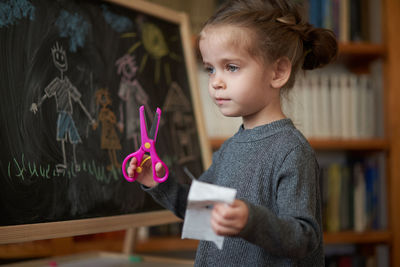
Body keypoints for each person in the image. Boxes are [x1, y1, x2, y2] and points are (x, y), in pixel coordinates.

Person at [127, 0, 337, 266]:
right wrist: (156, 183)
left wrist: (250, 220)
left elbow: (304, 238)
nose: (216, 81)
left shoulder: (292, 151)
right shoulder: (229, 149)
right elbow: (201, 211)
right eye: (210, 68)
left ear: (278, 72)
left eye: (232, 67)